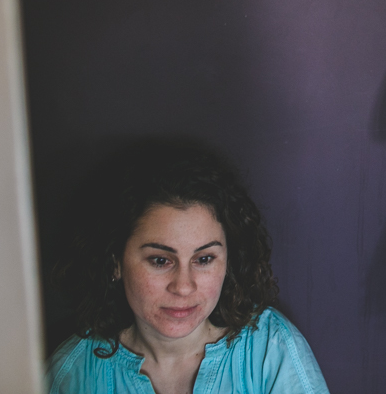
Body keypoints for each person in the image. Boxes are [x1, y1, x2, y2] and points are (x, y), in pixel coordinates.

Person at [46, 141, 330, 394]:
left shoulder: (271, 349)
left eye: (204, 259)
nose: (184, 286)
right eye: (160, 260)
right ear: (115, 264)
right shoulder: (72, 375)